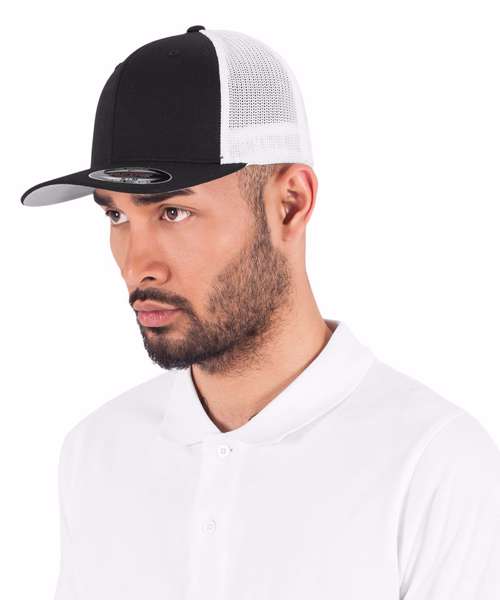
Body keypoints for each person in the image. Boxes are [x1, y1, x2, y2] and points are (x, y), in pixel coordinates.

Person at [21, 25, 500, 600]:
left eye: (172, 212)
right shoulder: (96, 452)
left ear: (290, 204)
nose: (136, 265)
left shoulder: (433, 462)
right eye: (116, 216)